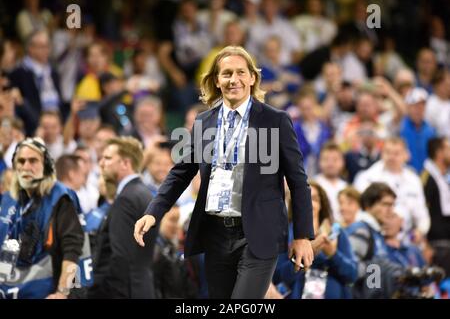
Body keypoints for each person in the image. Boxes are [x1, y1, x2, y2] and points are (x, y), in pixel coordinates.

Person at [134, 46, 314, 299]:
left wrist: (303, 235)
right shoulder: (203, 121)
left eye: (241, 72)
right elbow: (180, 173)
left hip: (258, 235)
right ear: (217, 81)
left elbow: (298, 181)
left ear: (252, 78)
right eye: (227, 73)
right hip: (216, 235)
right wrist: (153, 212)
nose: (234, 79)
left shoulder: (276, 120)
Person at [0, 137, 84, 299]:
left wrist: (62, 292)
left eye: (33, 161)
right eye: (21, 161)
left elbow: (73, 249)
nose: (26, 167)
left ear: (46, 165)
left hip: (47, 291)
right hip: (10, 290)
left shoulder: (61, 197)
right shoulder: (9, 198)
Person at [88, 136, 156, 299]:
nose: (101, 163)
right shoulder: (145, 193)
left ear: (125, 163)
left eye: (108, 158)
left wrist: (94, 292)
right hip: (141, 287)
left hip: (123, 291)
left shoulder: (126, 198)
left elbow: (120, 257)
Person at [272, 181, 357, 299]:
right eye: (304, 198)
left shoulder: (337, 233)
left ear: (322, 204)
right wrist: (304, 255)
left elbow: (351, 275)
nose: (309, 203)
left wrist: (333, 254)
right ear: (294, 203)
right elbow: (277, 277)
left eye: (314, 198)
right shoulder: (284, 233)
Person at [422, 137, 450, 276]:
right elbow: (422, 212)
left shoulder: (444, 177)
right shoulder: (427, 178)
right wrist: (425, 244)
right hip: (436, 245)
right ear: (439, 153)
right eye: (448, 149)